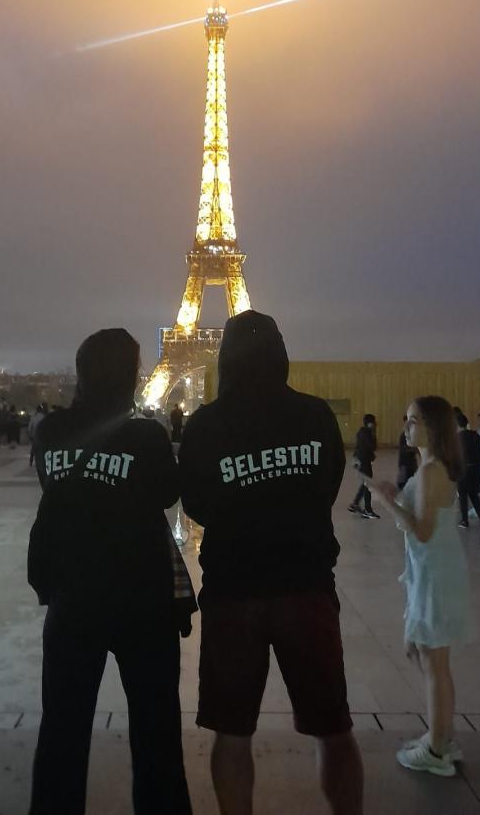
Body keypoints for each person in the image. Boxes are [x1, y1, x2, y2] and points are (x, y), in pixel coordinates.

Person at [179, 310, 363, 815]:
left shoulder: (206, 424)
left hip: (233, 589)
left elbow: (194, 502)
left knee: (232, 734)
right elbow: (327, 485)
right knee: (333, 728)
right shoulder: (315, 415)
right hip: (306, 586)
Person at [28, 328, 193, 815]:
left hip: (72, 597)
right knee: (156, 731)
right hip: (142, 598)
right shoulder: (146, 435)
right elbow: (166, 494)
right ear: (131, 376)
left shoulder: (50, 432)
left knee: (62, 730)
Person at [369, 396, 474, 776]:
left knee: (433, 660)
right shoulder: (429, 467)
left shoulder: (431, 471)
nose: (406, 427)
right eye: (406, 419)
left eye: (413, 421)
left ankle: (437, 746)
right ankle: (440, 733)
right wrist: (398, 500)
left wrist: (385, 501)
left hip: (435, 575)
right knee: (419, 652)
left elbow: (424, 531)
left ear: (433, 426)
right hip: (429, 572)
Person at [455, 410, 480, 528]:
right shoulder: (476, 435)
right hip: (475, 470)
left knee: (463, 496)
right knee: (474, 496)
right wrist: (476, 465)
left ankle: (464, 520)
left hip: (462, 471)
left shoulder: (456, 438)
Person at [347, 414, 379, 518]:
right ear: (370, 423)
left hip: (361, 461)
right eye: (373, 423)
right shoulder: (367, 433)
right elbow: (373, 446)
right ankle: (368, 510)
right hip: (363, 462)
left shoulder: (361, 432)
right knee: (368, 484)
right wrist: (373, 433)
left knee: (365, 483)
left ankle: (354, 504)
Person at [397, 415, 418, 489]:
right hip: (404, 463)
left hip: (411, 463)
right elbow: (404, 449)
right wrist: (415, 450)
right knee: (402, 483)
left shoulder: (412, 435)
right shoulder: (404, 436)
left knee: (411, 482)